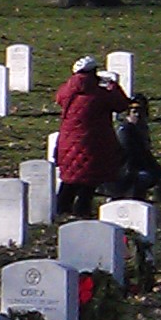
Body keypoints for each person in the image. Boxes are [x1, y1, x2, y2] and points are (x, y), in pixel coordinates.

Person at [52, 58, 126, 218]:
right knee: (89, 179)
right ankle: (82, 210)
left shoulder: (68, 91)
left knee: (70, 177)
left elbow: (59, 98)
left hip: (67, 141)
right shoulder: (99, 95)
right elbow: (121, 104)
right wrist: (113, 86)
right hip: (93, 142)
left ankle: (61, 209)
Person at [113, 95, 161, 199]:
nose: (137, 114)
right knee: (144, 177)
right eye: (134, 111)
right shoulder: (125, 130)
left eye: (141, 110)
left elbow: (146, 153)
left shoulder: (141, 128)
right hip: (124, 171)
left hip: (137, 167)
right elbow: (130, 156)